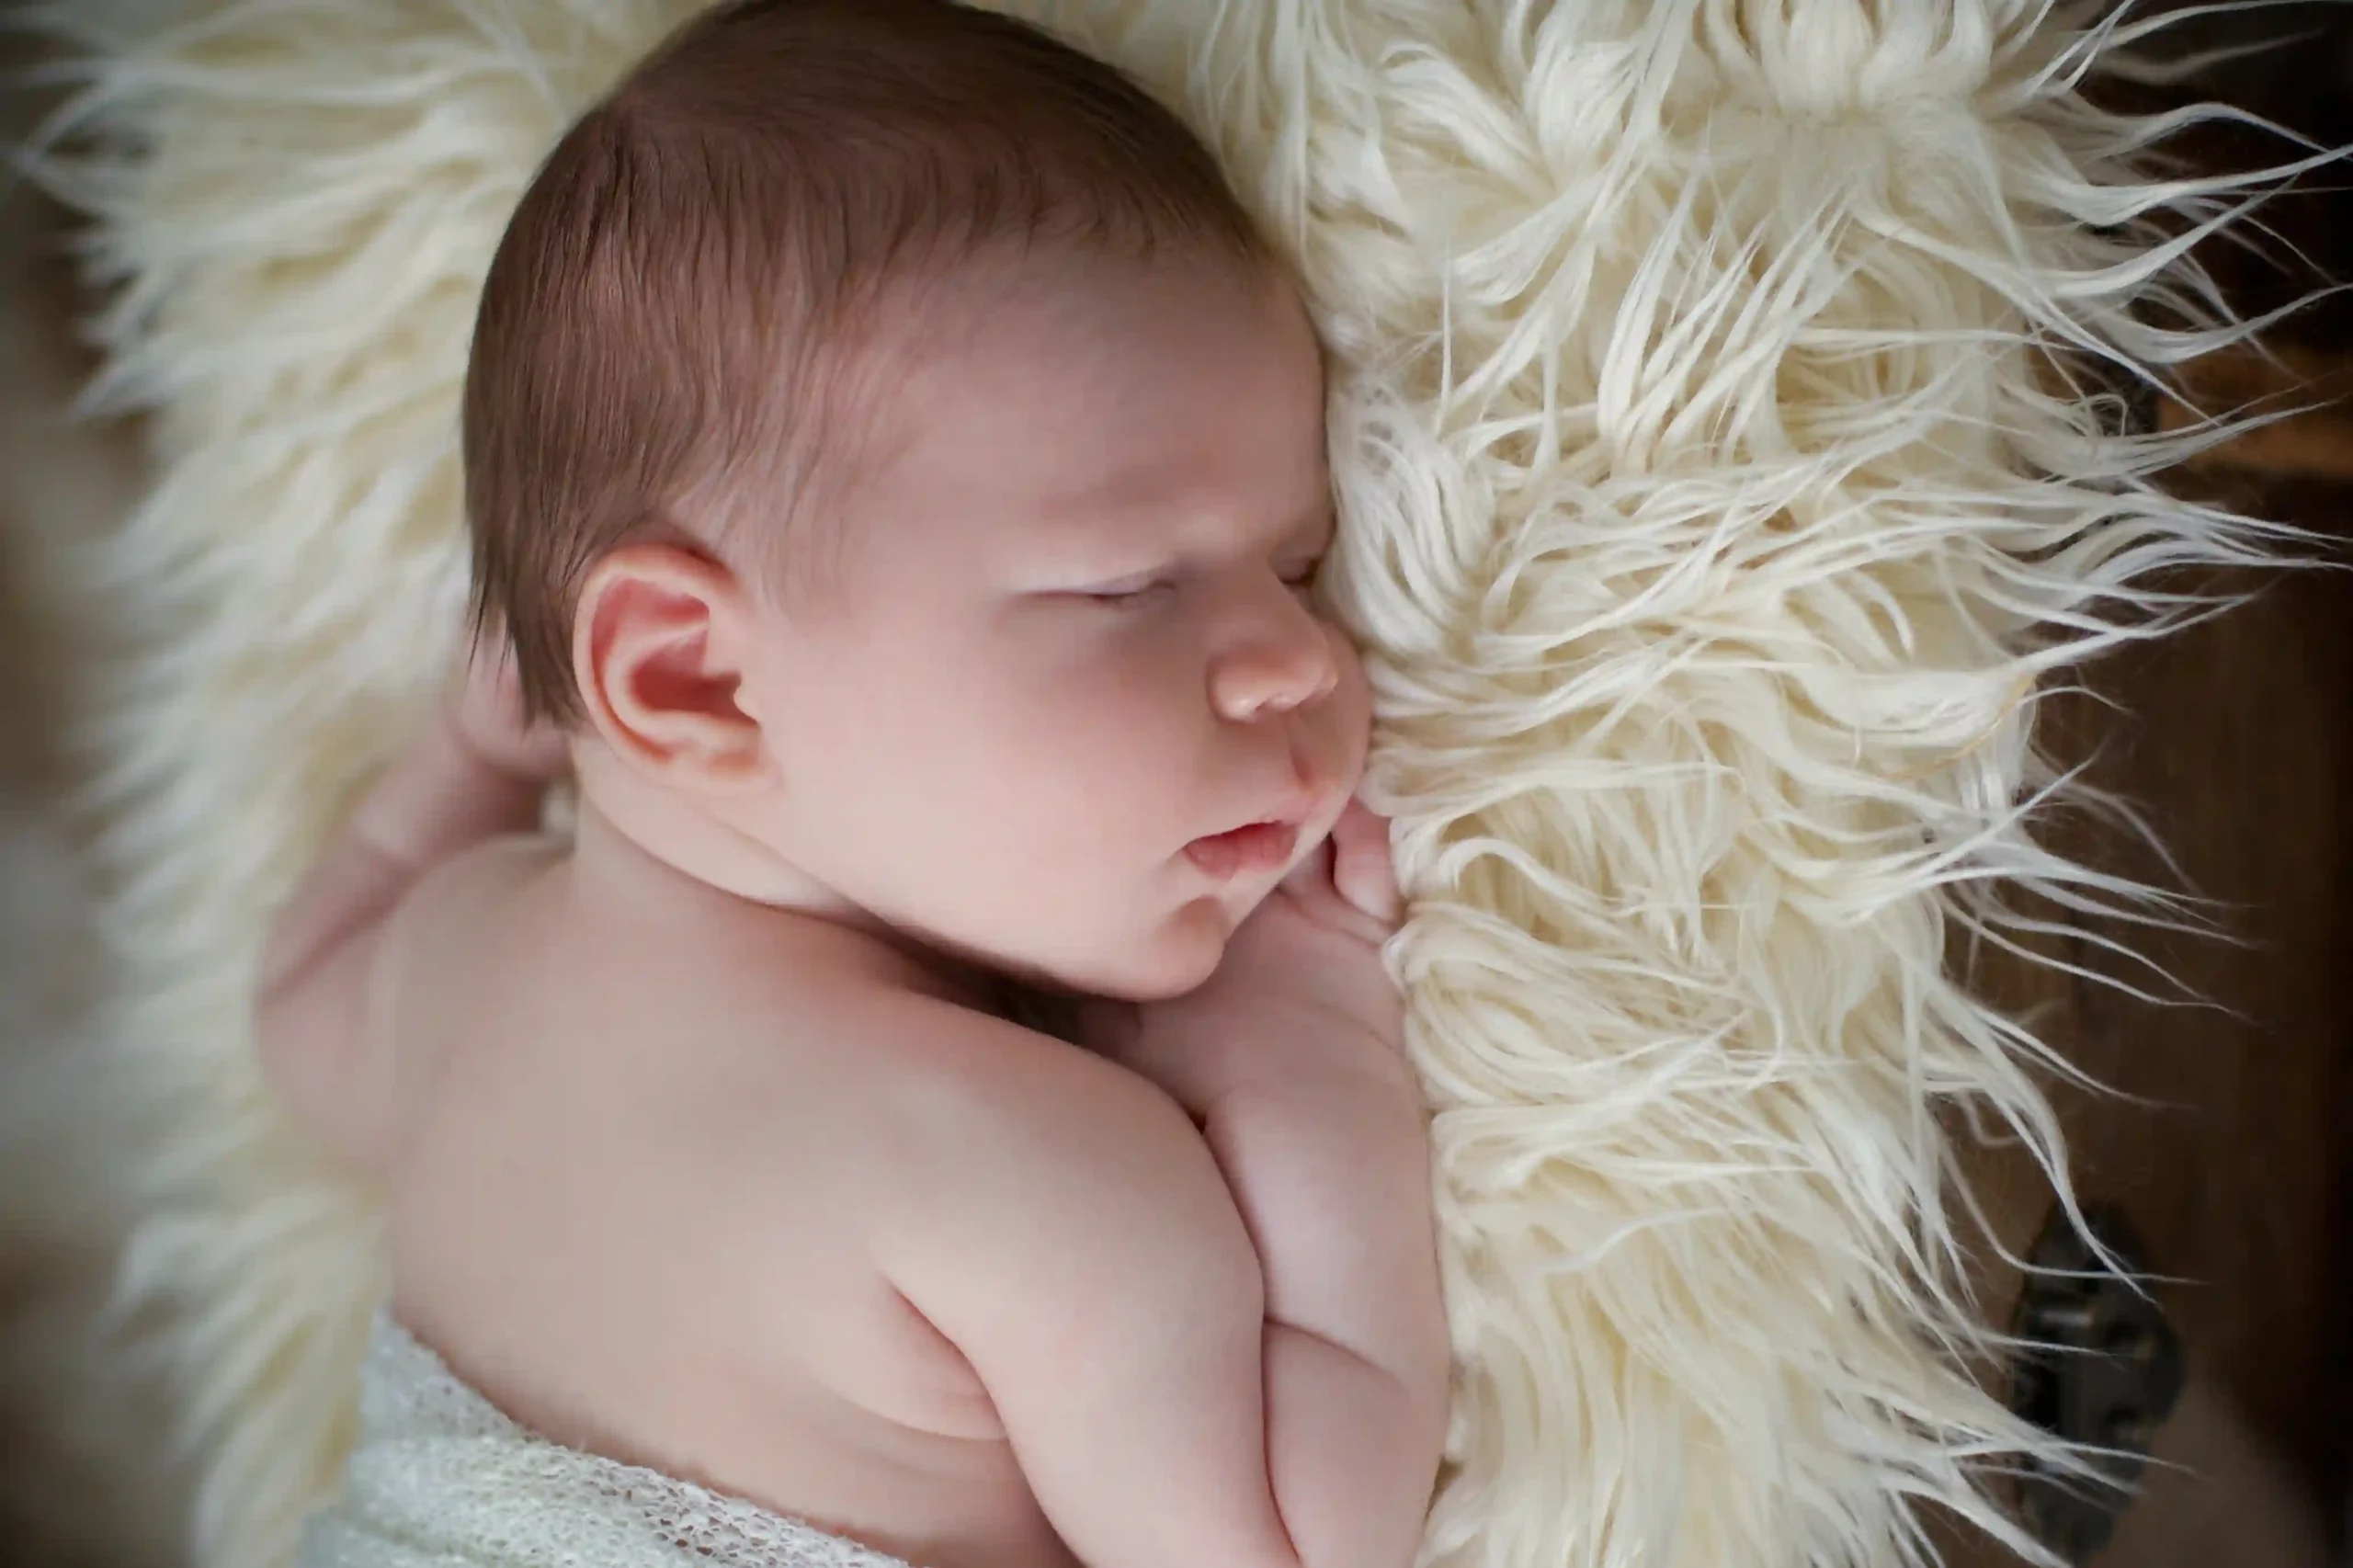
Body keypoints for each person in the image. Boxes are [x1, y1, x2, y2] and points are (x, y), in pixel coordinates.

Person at [255, 4, 1448, 1566]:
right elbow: (1292, 1547)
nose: (1298, 658)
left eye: (1297, 567)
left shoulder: (464, 958)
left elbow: (294, 1008)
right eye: (1131, 586)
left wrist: (465, 760)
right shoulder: (1019, 1165)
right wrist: (1309, 1056)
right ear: (690, 678)